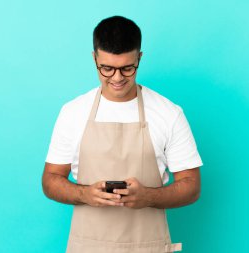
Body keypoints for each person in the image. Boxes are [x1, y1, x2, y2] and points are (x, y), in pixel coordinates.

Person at [42, 15, 203, 253]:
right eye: (107, 68)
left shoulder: (169, 113)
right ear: (94, 57)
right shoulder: (73, 112)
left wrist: (147, 197)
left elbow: (191, 186)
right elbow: (50, 180)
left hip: (148, 246)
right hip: (88, 247)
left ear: (139, 58)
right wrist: (84, 194)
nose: (117, 78)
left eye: (127, 68)